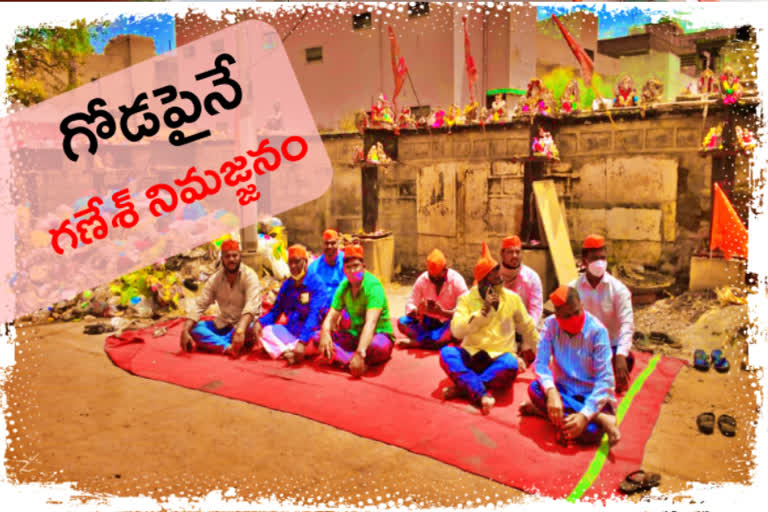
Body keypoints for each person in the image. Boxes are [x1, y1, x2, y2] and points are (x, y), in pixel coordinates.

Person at [440, 242, 539, 414]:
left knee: (510, 364)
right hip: (471, 355)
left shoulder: (512, 298)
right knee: (446, 354)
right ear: (483, 282)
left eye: (498, 275)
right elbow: (456, 331)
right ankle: (481, 391)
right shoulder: (466, 300)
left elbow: (528, 328)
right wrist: (482, 313)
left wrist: (544, 359)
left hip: (499, 359)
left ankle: (466, 388)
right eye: (494, 277)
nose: (499, 279)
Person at [520, 286, 620, 446]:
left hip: (591, 395)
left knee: (591, 432)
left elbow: (605, 381)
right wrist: (552, 393)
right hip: (563, 392)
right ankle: (601, 419)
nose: (573, 318)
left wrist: (585, 415)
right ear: (557, 316)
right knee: (534, 388)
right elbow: (540, 364)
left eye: (576, 312)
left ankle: (545, 412)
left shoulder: (598, 331)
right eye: (566, 316)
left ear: (582, 307)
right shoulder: (551, 326)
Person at [312, 244, 394, 378]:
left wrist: (360, 352)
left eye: (356, 266)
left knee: (377, 347)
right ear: (344, 270)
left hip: (378, 335)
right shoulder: (344, 286)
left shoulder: (373, 286)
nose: (352, 271)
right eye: (348, 267)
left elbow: (371, 323)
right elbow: (332, 314)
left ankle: (347, 359)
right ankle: (354, 363)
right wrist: (325, 332)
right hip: (354, 335)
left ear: (363, 267)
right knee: (317, 338)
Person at [570, 234, 635, 394]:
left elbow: (627, 324)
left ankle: (591, 383)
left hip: (609, 349)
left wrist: (620, 355)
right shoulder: (573, 289)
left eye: (603, 258)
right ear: (584, 261)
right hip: (581, 350)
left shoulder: (619, 290)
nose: (599, 263)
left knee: (628, 359)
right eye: (594, 258)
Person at [180, 239, 262, 358]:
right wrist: (185, 330)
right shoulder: (215, 279)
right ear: (222, 258)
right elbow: (200, 304)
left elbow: (251, 306)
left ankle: (218, 342)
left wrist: (239, 330)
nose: (231, 260)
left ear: (240, 256)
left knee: (253, 328)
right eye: (227, 256)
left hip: (244, 325)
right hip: (223, 324)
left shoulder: (250, 276)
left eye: (235, 255)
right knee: (195, 329)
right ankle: (227, 346)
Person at [257, 244, 319, 364]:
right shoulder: (287, 284)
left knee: (319, 340)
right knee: (266, 331)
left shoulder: (316, 284)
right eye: (290, 263)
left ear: (305, 262)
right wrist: (260, 323)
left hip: (309, 334)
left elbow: (314, 316)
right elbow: (276, 311)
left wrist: (302, 341)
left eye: (297, 262)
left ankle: (287, 350)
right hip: (291, 331)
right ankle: (288, 352)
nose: (293, 266)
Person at [292, 228, 346, 363]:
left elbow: (350, 290)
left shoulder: (347, 262)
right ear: (323, 245)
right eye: (326, 243)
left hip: (340, 311)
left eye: (333, 243)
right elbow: (306, 291)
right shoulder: (314, 267)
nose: (330, 247)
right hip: (319, 311)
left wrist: (338, 314)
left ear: (338, 243)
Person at [397, 249, 468, 349]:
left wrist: (442, 312)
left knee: (457, 327)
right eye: (432, 277)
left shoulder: (456, 280)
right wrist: (417, 312)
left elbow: (465, 310)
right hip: (427, 322)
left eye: (438, 277)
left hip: (448, 322)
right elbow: (411, 303)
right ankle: (432, 340)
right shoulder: (422, 280)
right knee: (402, 322)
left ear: (445, 269)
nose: (435, 280)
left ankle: (419, 342)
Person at [499, 235, 543, 325]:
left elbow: (535, 309)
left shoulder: (532, 277)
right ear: (502, 254)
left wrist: (527, 330)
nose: (514, 255)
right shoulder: (494, 275)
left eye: (517, 252)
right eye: (510, 252)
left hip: (524, 328)